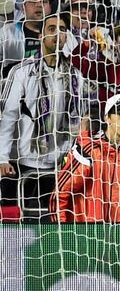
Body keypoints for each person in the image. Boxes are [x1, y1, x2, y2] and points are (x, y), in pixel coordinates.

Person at [0, 14, 87, 214]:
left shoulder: (76, 76)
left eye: (63, 29)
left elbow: (80, 118)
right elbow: (8, 117)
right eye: (51, 29)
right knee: (29, 220)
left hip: (61, 162)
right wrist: (2, 158)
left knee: (58, 221)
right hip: (26, 161)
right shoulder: (21, 72)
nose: (57, 34)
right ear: (41, 35)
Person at [51, 94, 120, 223]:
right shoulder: (89, 150)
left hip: (119, 237)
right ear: (107, 118)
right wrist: (63, 233)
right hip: (85, 236)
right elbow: (60, 193)